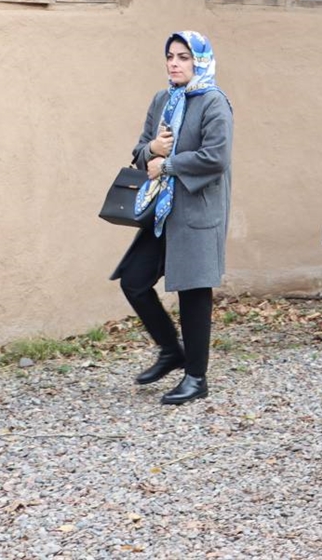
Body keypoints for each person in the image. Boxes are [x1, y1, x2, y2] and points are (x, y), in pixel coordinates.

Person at [114, 31, 233, 406]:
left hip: (197, 211)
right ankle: (171, 350)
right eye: (170, 56)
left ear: (199, 61)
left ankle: (196, 377)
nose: (175, 63)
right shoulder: (162, 100)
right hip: (161, 211)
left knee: (194, 292)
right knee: (133, 280)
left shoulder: (214, 102)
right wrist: (152, 148)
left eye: (184, 57)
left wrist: (167, 162)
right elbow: (140, 150)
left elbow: (216, 157)